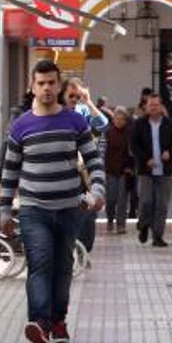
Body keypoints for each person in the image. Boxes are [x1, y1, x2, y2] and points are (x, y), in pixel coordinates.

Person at [0, 60, 105, 343]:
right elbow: (10, 171)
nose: (46, 88)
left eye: (51, 83)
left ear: (59, 86)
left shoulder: (75, 121)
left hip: (70, 207)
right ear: (33, 86)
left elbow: (94, 160)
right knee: (40, 263)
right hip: (34, 209)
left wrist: (96, 189)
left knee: (62, 267)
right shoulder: (21, 126)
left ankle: (58, 320)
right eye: (41, 83)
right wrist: (5, 209)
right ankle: (39, 323)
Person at [130, 92, 172, 248]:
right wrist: (146, 159)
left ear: (161, 107)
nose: (153, 108)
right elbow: (134, 145)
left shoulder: (169, 124)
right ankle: (144, 224)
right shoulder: (139, 124)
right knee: (146, 201)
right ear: (146, 107)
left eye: (156, 105)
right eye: (150, 105)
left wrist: (170, 152)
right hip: (146, 171)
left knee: (161, 205)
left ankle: (158, 236)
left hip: (164, 171)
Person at [65, 78, 108, 253]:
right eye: (71, 95)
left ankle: (83, 250)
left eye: (78, 96)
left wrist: (88, 102)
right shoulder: (56, 113)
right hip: (65, 172)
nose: (74, 99)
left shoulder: (82, 111)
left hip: (84, 171)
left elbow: (103, 124)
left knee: (88, 213)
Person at [104, 106, 134, 234]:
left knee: (122, 199)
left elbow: (133, 152)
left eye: (122, 119)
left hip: (124, 171)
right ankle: (110, 219)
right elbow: (103, 152)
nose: (119, 121)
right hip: (110, 170)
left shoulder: (130, 134)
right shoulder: (108, 133)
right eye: (117, 119)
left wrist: (131, 167)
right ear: (113, 119)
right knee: (111, 198)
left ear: (125, 120)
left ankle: (121, 224)